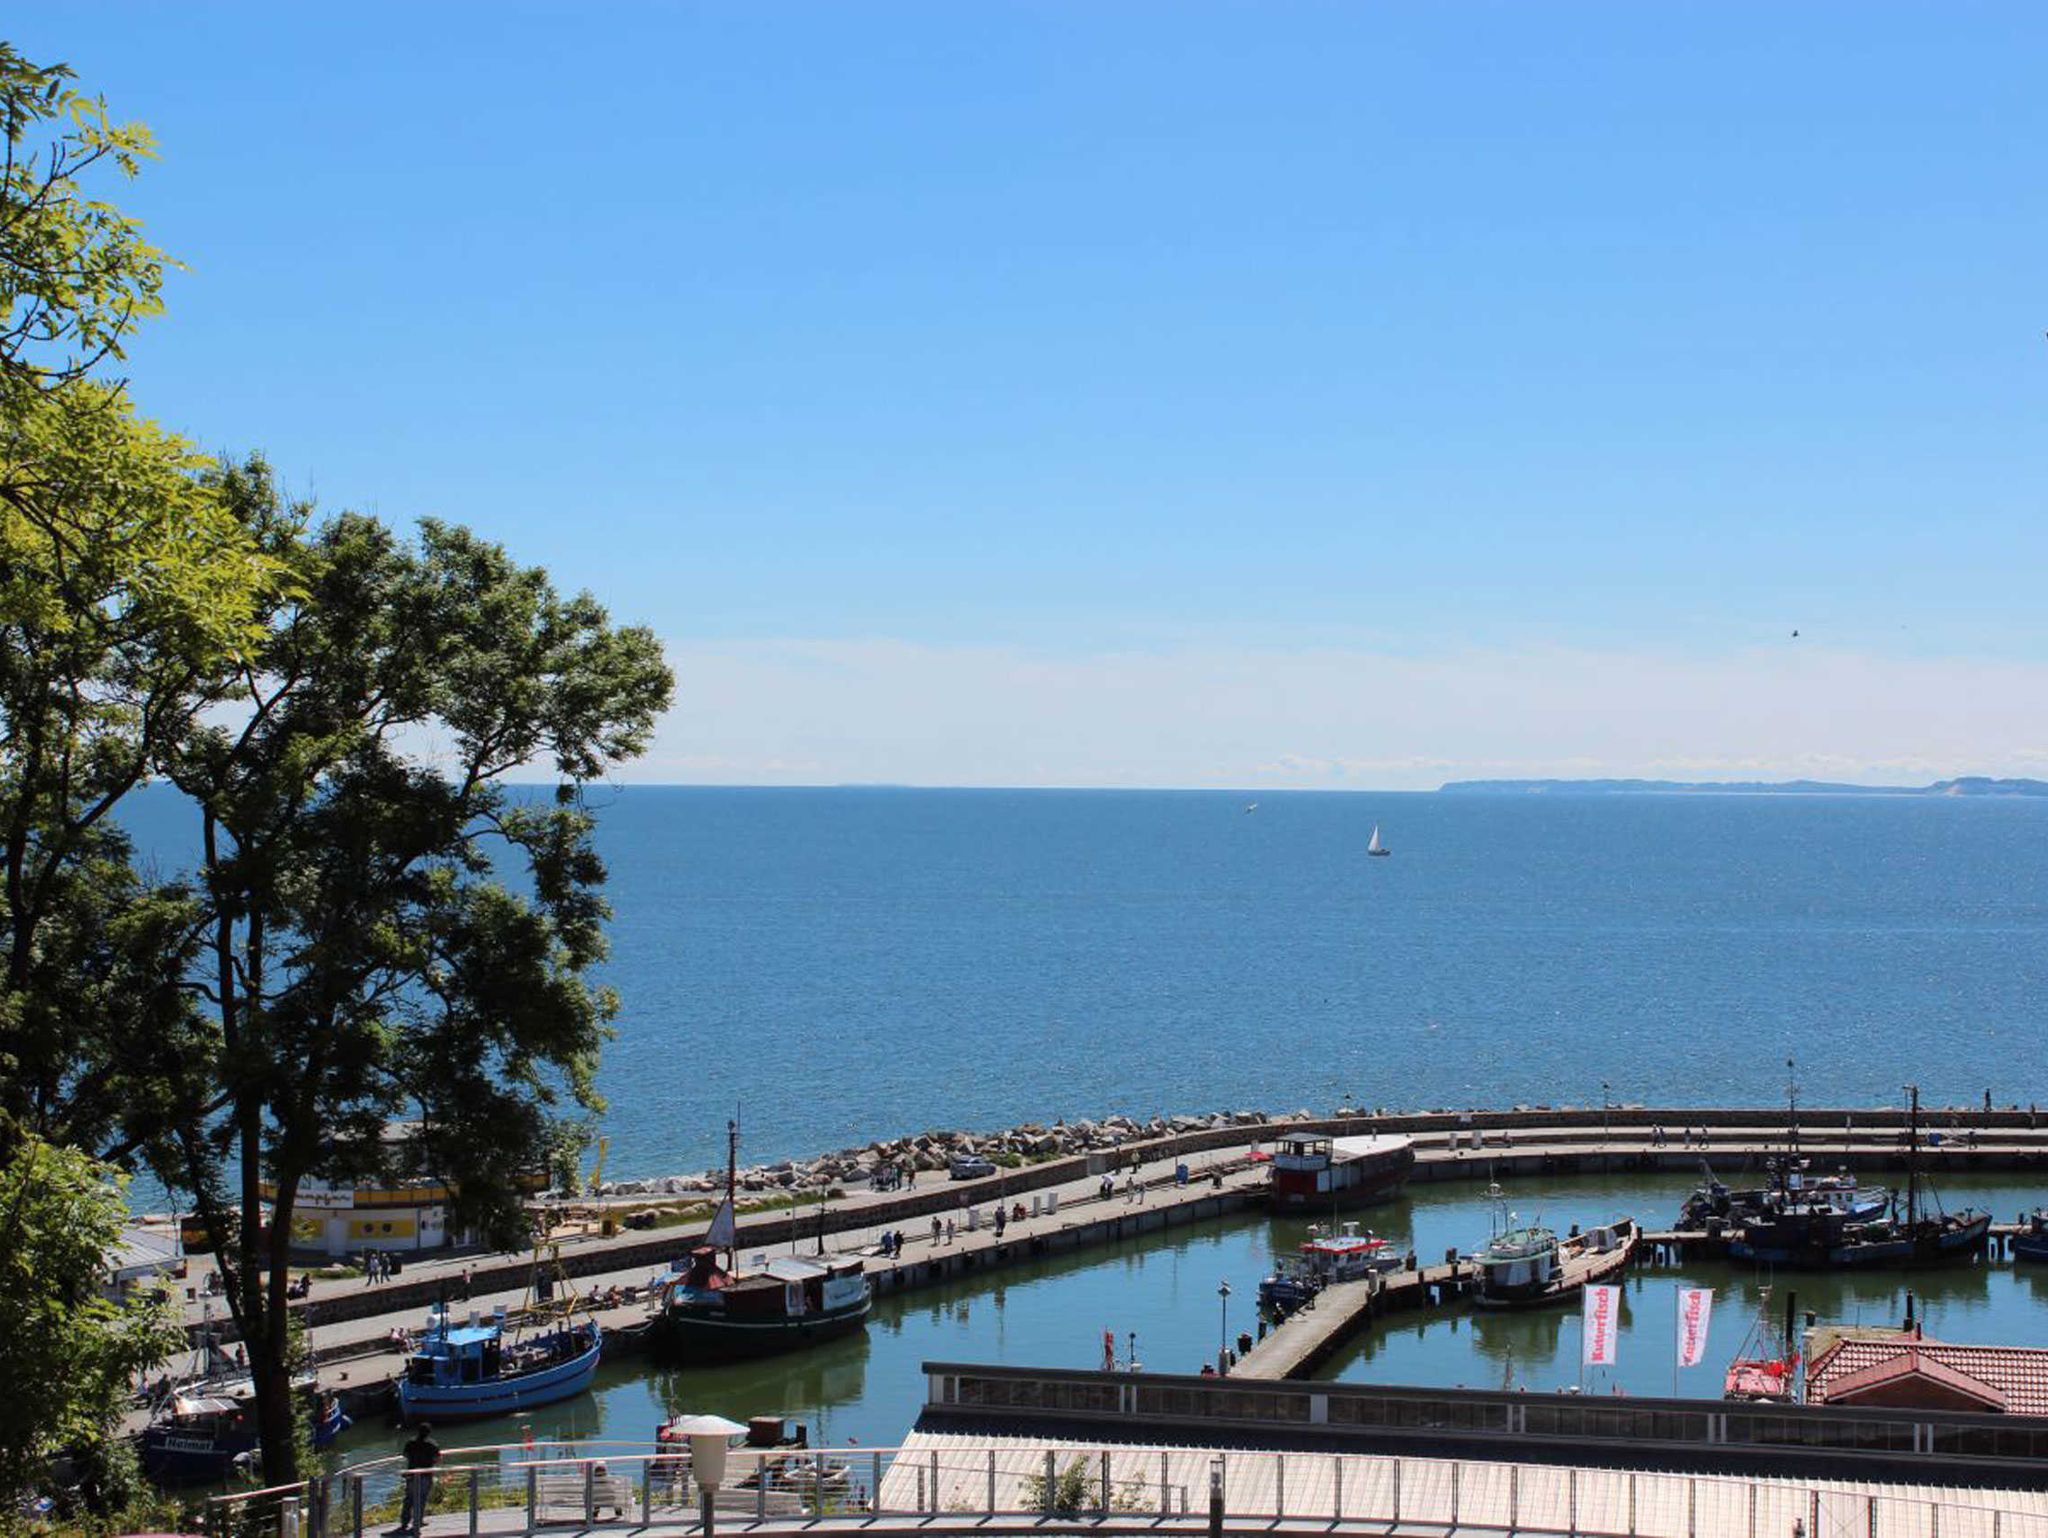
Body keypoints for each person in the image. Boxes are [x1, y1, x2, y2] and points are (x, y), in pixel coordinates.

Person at [399, 1422, 441, 1532]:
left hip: (411, 1474)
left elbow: (405, 1455)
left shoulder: (410, 1442)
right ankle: (418, 1521)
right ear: (429, 1432)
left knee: (409, 1498)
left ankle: (404, 1522)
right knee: (422, 1498)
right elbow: (437, 1459)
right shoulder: (432, 1444)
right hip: (425, 1474)